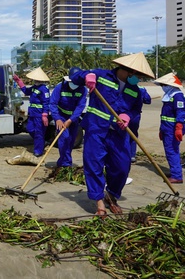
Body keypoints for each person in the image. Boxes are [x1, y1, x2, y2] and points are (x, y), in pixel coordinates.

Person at [69, 52, 155, 216]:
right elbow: (76, 77)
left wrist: (127, 116)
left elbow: (136, 110)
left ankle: (112, 195)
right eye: (137, 75)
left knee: (122, 167)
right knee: (93, 165)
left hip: (118, 134)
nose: (138, 78)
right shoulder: (101, 75)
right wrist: (87, 76)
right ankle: (99, 202)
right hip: (96, 130)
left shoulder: (135, 91)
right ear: (128, 70)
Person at [154, 72, 185, 184]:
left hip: (173, 128)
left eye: (163, 85)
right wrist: (161, 129)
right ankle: (175, 171)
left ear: (170, 85)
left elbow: (181, 113)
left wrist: (179, 127)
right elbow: (164, 115)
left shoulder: (178, 96)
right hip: (167, 127)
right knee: (170, 150)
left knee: (172, 150)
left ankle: (176, 176)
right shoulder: (170, 95)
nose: (162, 87)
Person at [49, 67, 87, 167]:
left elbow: (80, 107)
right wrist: (57, 119)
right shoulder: (60, 87)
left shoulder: (83, 90)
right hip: (61, 116)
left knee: (71, 140)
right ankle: (66, 163)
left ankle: (63, 161)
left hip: (73, 119)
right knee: (64, 138)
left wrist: (70, 120)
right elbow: (52, 104)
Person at [14, 67, 51, 157]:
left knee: (39, 132)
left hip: (39, 114)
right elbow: (26, 91)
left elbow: (46, 102)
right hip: (32, 114)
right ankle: (42, 142)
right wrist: (19, 82)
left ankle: (38, 151)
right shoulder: (35, 87)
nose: (33, 80)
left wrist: (45, 115)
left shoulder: (44, 89)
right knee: (29, 129)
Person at [122, 75, 152, 162]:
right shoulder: (142, 89)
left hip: (125, 114)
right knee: (133, 135)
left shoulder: (124, 87)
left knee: (125, 134)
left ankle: (126, 154)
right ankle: (132, 155)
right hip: (135, 115)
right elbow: (148, 100)